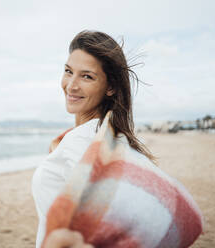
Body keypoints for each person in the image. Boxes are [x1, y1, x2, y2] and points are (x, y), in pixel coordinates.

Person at [32, 30, 155, 248]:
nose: (71, 85)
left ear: (111, 87)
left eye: (87, 76)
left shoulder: (81, 142)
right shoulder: (108, 138)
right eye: (68, 71)